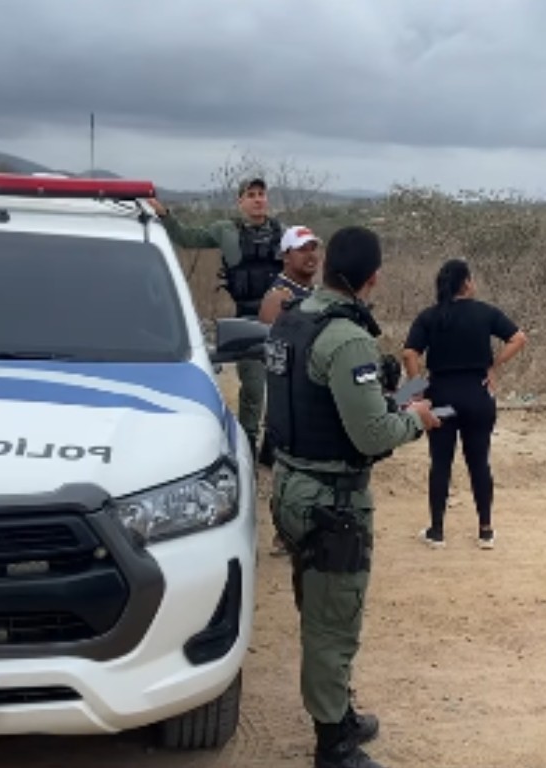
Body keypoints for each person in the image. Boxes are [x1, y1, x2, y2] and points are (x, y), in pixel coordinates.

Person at [264, 225, 441, 768]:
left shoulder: (293, 317)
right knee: (332, 623)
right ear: (373, 278)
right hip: (330, 501)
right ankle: (333, 745)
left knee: (319, 609)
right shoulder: (347, 339)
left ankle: (338, 713)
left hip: (291, 486)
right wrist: (416, 419)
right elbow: (371, 434)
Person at [148, 178, 283, 457]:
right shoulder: (226, 231)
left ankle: (274, 444)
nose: (258, 199)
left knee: (281, 383)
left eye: (262, 194)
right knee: (253, 387)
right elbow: (188, 238)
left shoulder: (282, 232)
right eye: (251, 195)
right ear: (240, 201)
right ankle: (247, 442)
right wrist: (164, 215)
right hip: (247, 318)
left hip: (281, 319)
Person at [402, 258, 527, 550]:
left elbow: (409, 354)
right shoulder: (486, 312)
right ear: (467, 283)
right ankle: (485, 531)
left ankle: (437, 531)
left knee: (440, 463)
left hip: (442, 400)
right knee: (479, 461)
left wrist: (417, 392)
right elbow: (519, 338)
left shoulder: (430, 316)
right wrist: (493, 367)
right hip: (477, 397)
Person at [258, 224, 323, 557]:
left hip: (313, 394)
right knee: (287, 469)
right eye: (302, 249)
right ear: (286, 256)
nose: (310, 255)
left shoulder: (316, 294)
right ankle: (284, 535)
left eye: (313, 248)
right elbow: (272, 353)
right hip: (288, 399)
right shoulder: (279, 297)